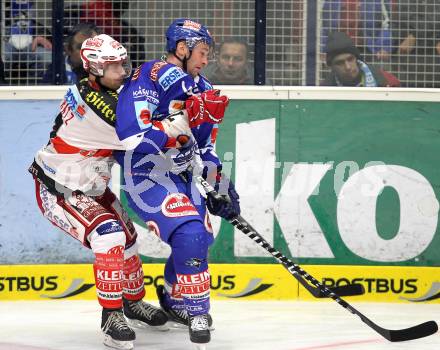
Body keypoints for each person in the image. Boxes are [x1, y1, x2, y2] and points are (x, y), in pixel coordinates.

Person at [28, 34, 168, 350]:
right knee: (108, 236)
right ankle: (110, 315)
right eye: (114, 65)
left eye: (123, 62)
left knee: (129, 238)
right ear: (94, 68)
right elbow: (142, 138)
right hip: (59, 188)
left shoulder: (100, 91)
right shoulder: (96, 106)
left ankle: (132, 304)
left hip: (90, 186)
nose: (122, 70)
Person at [114, 18, 240, 346]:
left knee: (200, 239)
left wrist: (221, 186)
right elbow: (131, 138)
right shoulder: (149, 76)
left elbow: (206, 150)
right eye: (201, 51)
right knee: (191, 233)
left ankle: (172, 300)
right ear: (181, 49)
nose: (205, 59)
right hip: (145, 177)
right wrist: (174, 133)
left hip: (181, 177)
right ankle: (198, 310)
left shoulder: (206, 91)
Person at [321, 0, 394, 63]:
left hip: (369, 49)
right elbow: (324, 26)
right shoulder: (329, 2)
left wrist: (384, 47)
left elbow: (387, 23)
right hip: (337, 48)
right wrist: (322, 49)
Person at [322, 31, 400, 87]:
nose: (348, 67)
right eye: (340, 63)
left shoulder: (385, 80)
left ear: (356, 58)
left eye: (350, 59)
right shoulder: (325, 90)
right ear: (331, 66)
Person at [391, 0, 440, 88]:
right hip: (410, 59)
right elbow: (397, 23)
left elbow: (432, 22)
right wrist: (399, 42)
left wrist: (415, 35)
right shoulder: (404, 3)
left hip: (432, 55)